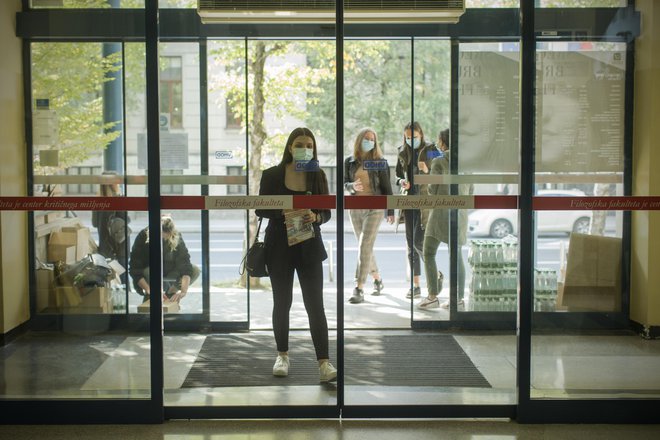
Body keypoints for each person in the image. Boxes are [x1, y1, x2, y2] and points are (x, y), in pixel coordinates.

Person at [255, 127, 337, 383]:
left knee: (316, 305)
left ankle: (324, 363)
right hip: (278, 246)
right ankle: (282, 355)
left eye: (310, 145)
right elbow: (260, 210)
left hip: (309, 245)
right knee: (282, 302)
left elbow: (327, 212)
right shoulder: (272, 175)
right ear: (290, 147)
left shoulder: (318, 174)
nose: (305, 149)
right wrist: (285, 211)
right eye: (300, 144)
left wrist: (315, 216)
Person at [418, 129, 472, 309]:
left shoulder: (439, 161)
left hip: (441, 213)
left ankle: (432, 296)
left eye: (439, 140)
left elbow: (432, 190)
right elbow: (471, 192)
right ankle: (458, 299)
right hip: (461, 214)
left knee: (429, 252)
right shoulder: (468, 162)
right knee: (456, 255)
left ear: (443, 143)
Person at [344, 128, 395, 304]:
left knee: (364, 244)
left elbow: (388, 188)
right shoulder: (349, 162)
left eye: (372, 139)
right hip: (355, 208)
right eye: (366, 139)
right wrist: (351, 186)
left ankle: (358, 287)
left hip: (375, 208)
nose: (369, 142)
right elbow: (344, 184)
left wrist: (390, 210)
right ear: (359, 141)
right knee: (365, 247)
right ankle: (377, 279)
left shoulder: (380, 162)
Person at [395, 121, 440, 299]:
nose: (410, 140)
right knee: (410, 244)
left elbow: (440, 174)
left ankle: (435, 275)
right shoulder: (402, 151)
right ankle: (416, 285)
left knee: (419, 242)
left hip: (424, 202)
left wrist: (427, 170)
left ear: (421, 134)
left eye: (413, 137)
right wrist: (401, 182)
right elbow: (398, 174)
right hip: (408, 201)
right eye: (407, 137)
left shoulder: (431, 149)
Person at [129, 215, 200, 304]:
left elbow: (185, 264)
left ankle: (171, 292)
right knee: (148, 272)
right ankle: (150, 299)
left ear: (171, 234)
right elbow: (135, 268)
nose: (162, 240)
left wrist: (183, 292)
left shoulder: (176, 236)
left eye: (165, 238)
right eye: (159, 237)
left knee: (195, 270)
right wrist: (149, 289)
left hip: (171, 271)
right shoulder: (142, 236)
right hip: (151, 273)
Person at [91, 171, 130, 286]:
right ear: (112, 183)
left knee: (109, 278)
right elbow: (126, 220)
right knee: (122, 275)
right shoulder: (119, 199)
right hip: (121, 242)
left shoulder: (97, 200)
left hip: (106, 244)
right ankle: (123, 299)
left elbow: (94, 223)